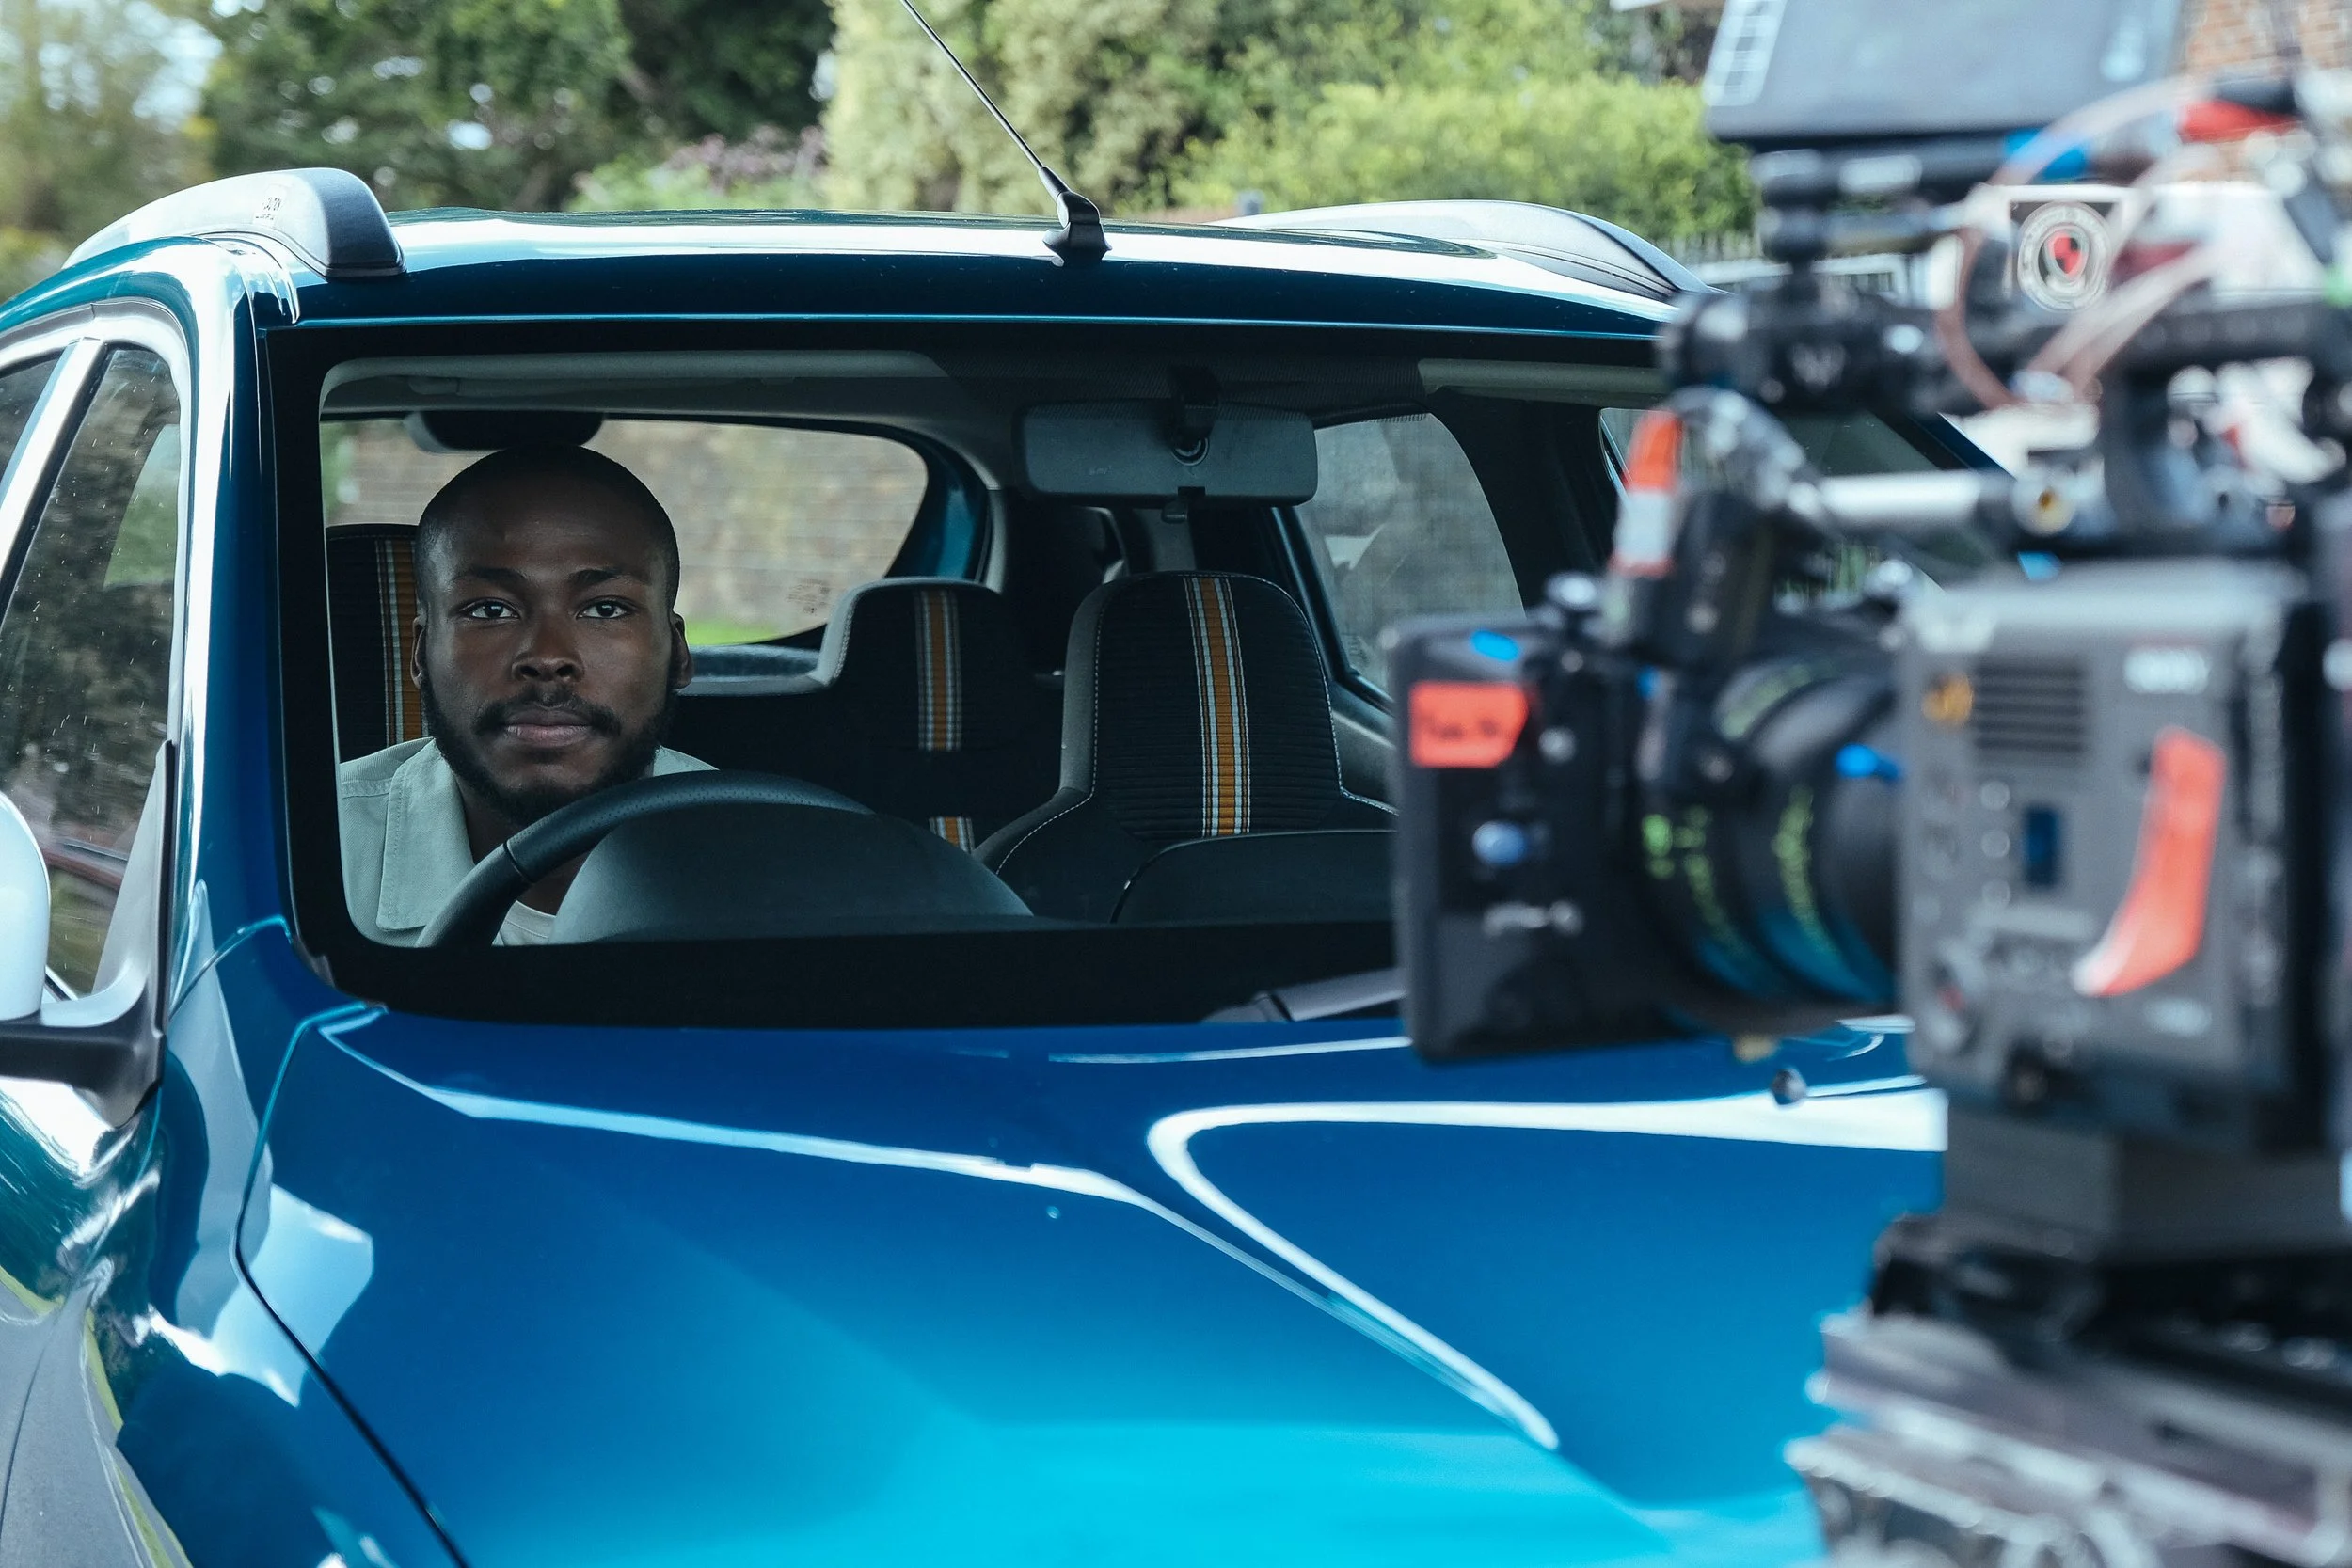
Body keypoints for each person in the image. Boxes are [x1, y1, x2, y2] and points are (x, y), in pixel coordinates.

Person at [339, 445, 709, 945]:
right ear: (422, 655)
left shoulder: (771, 856)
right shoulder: (292, 860)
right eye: (491, 610)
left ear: (678, 654)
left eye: (604, 609)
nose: (547, 655)